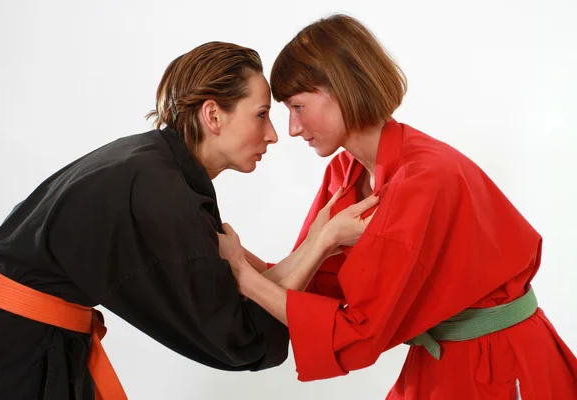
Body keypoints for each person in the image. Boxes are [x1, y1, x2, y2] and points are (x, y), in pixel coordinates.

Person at [0, 41, 378, 400]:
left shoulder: (156, 164)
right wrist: (323, 243)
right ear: (213, 116)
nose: (274, 134)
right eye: (261, 115)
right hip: (14, 354)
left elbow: (238, 291)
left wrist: (319, 237)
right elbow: (239, 335)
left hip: (15, 337)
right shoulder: (160, 196)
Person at [218, 14, 577, 399]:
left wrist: (244, 275)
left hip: (497, 365)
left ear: (340, 90)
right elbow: (314, 287)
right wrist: (231, 254)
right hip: (441, 360)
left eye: (298, 106)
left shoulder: (424, 179)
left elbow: (359, 332)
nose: (291, 128)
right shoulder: (345, 173)